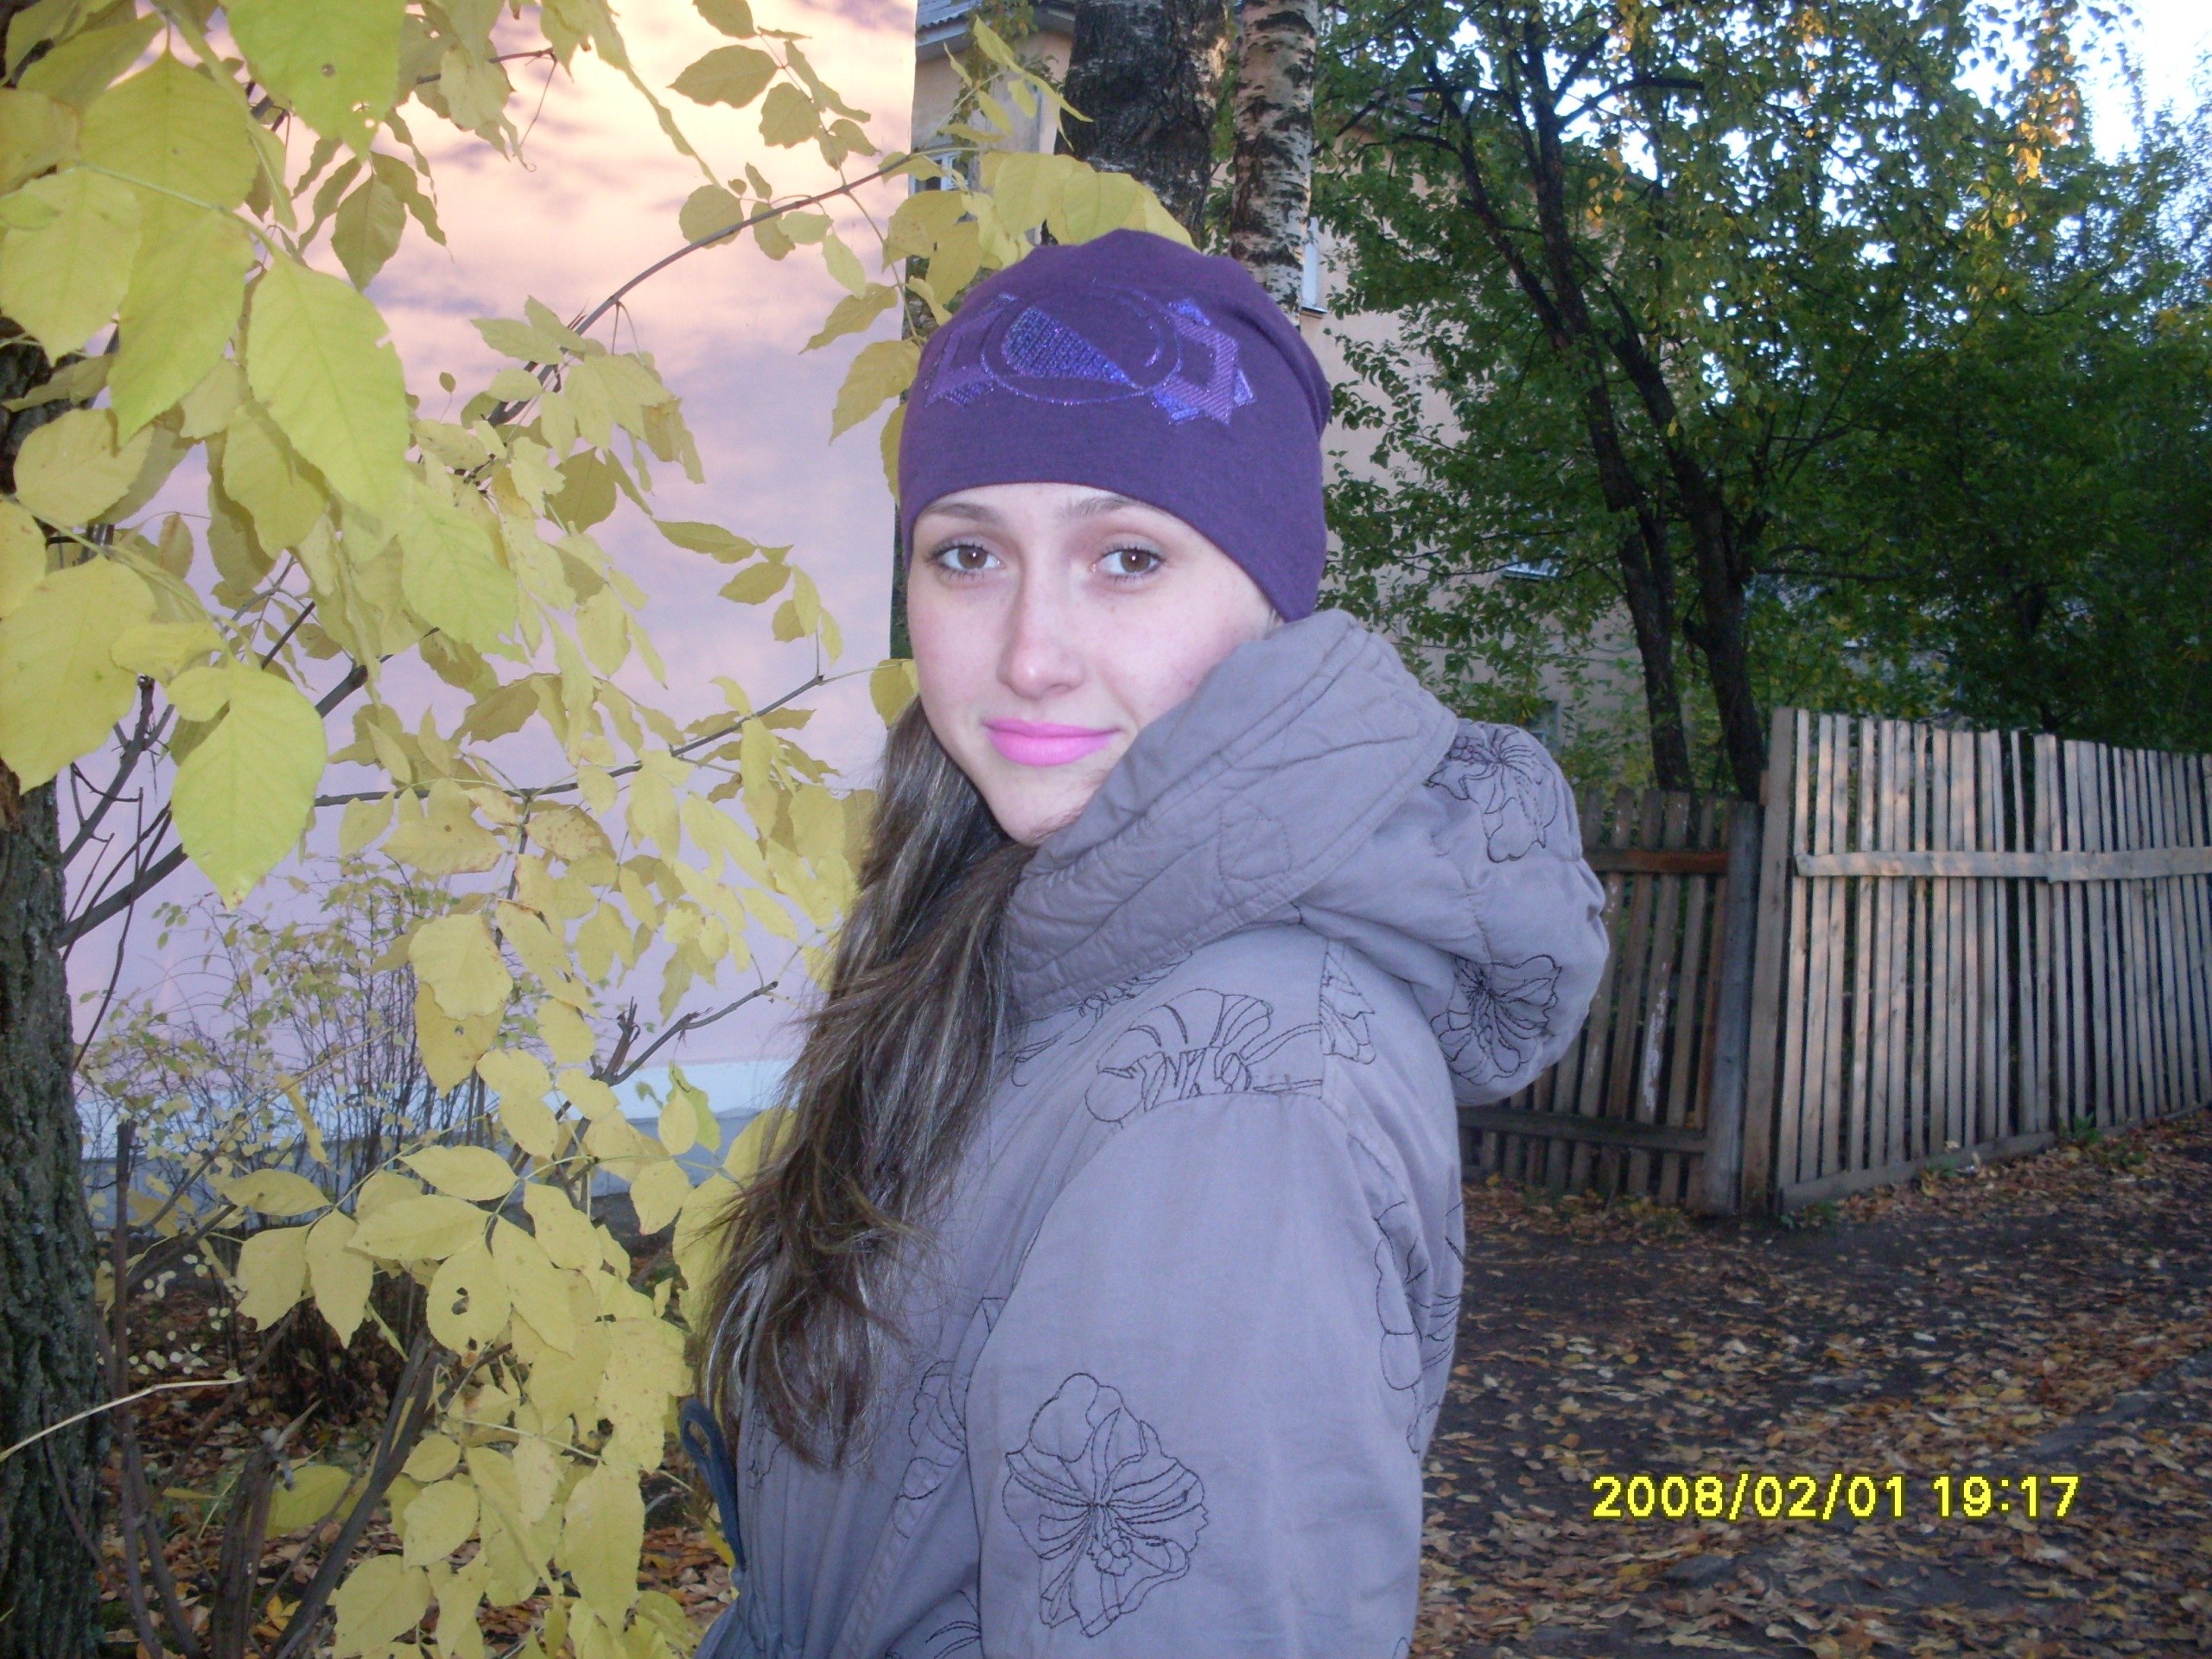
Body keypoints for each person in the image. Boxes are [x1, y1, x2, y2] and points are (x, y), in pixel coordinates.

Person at [689, 228, 1609, 1659]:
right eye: (967, 554)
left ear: (1270, 600)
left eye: (1127, 557)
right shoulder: (1015, 931)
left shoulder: (1248, 1089)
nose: (1030, 652)